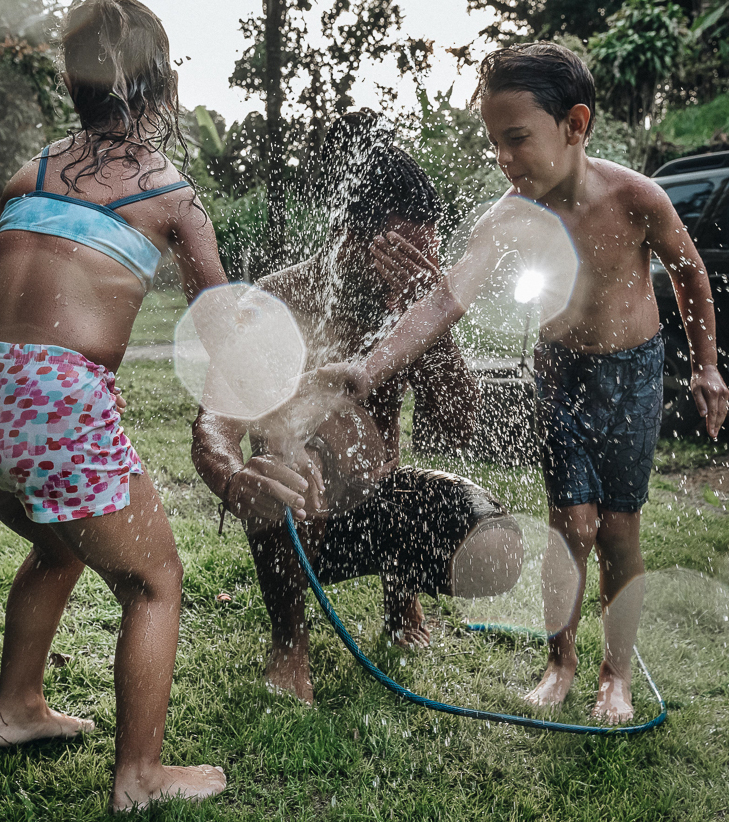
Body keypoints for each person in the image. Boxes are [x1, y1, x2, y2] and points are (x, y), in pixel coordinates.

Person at [321, 43, 729, 723]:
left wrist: (708, 366)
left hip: (632, 372)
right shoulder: (509, 216)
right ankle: (560, 662)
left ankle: (615, 676)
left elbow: (689, 273)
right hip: (560, 367)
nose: (505, 160)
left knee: (620, 529)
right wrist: (368, 368)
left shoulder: (636, 198)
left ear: (575, 124)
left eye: (517, 140)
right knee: (571, 523)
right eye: (494, 145)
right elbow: (444, 300)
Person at [0, 0, 227, 811]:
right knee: (154, 580)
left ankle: (17, 709)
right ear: (164, 82)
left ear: (72, 78)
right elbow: (224, 321)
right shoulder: (172, 194)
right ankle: (140, 776)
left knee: (61, 546)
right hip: (51, 401)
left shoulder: (28, 173)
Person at [191, 111, 525, 704]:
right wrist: (231, 475)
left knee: (494, 543)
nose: (414, 266)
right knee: (294, 465)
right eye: (398, 252)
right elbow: (215, 417)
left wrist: (431, 322)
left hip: (378, 498)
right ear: (350, 237)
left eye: (426, 251)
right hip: (297, 515)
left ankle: (402, 604)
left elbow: (460, 422)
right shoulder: (281, 299)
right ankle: (288, 646)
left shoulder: (410, 304)